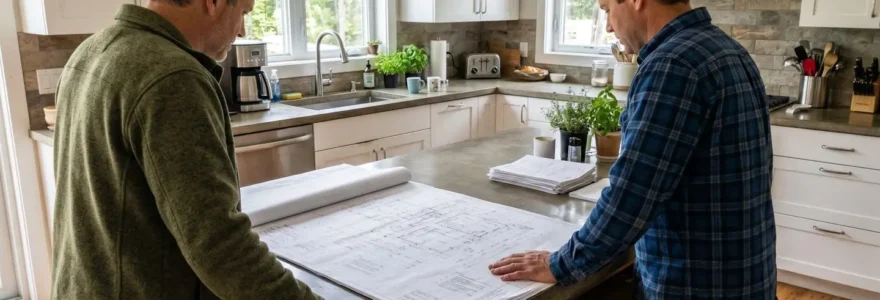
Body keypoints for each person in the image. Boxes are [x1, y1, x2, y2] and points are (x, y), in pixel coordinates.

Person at [489, 0, 776, 298]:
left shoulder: (673, 65)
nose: (609, 26)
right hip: (745, 277)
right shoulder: (728, 49)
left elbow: (633, 194)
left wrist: (561, 264)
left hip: (695, 284)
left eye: (606, 9)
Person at [52, 1, 321, 299]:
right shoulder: (172, 77)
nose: (242, 30)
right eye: (243, 12)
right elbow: (220, 247)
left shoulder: (89, 52)